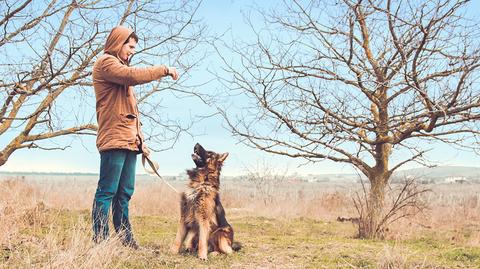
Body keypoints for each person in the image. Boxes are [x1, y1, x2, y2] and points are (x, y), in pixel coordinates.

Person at [91, 25, 178, 248]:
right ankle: (101, 242)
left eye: (133, 48)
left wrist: (141, 142)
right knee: (107, 191)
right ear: (117, 43)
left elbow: (130, 115)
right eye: (129, 47)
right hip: (113, 140)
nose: (132, 51)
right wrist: (163, 69)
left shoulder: (120, 72)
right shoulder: (106, 63)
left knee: (125, 193)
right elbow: (132, 75)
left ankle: (125, 241)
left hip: (129, 142)